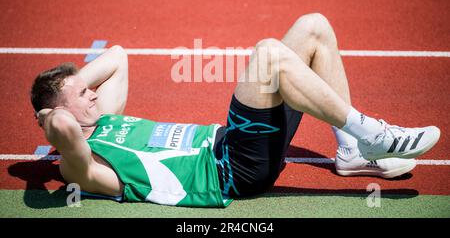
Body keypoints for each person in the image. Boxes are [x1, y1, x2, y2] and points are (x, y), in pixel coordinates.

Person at [30, 13, 440, 207]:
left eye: (88, 88)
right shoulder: (80, 165)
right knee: (267, 56)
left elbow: (117, 56)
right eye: (82, 93)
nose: (92, 93)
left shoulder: (103, 115)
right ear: (55, 120)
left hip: (236, 146)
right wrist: (49, 114)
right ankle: (372, 133)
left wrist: (68, 89)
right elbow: (63, 124)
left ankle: (351, 150)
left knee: (314, 28)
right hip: (230, 171)